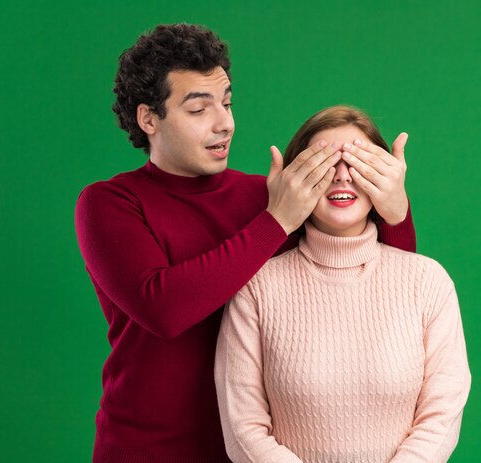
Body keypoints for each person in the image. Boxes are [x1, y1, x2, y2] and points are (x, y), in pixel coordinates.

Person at [75, 24, 416, 463]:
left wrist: (395, 210)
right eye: (199, 110)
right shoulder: (109, 203)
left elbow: (382, 290)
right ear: (149, 118)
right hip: (148, 450)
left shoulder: (268, 196)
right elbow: (162, 308)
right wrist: (277, 222)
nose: (225, 124)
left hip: (266, 451)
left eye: (228, 103)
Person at [215, 106, 471, 463]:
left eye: (358, 163)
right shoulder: (257, 288)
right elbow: (243, 429)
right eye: (323, 164)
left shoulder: (428, 282)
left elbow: (442, 413)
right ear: (295, 178)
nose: (342, 176)